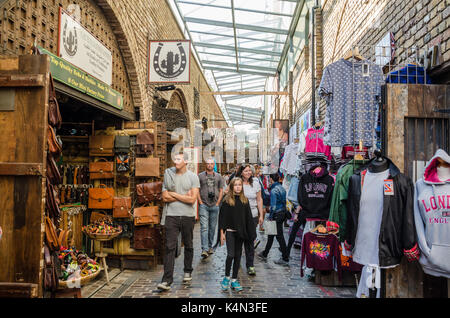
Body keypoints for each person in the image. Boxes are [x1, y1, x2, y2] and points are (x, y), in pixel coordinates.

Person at [157, 152, 200, 291]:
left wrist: (173, 194)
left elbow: (192, 199)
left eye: (178, 159)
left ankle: (187, 270)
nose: (175, 162)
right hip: (171, 216)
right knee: (169, 247)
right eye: (174, 159)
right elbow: (164, 197)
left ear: (186, 161)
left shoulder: (193, 177)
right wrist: (181, 195)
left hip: (188, 216)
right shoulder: (168, 175)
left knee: (188, 244)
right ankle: (166, 280)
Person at [216, 177, 256, 292]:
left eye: (240, 185)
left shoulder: (245, 200)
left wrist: (251, 235)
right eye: (236, 185)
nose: (238, 187)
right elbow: (222, 218)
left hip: (241, 233)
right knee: (230, 255)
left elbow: (249, 219)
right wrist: (221, 233)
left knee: (238, 256)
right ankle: (226, 277)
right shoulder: (227, 200)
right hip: (230, 232)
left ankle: (234, 279)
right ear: (232, 186)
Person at [236, 164, 264, 275]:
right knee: (238, 240)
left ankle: (250, 265)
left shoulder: (256, 183)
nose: (248, 173)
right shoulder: (237, 182)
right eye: (246, 171)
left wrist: (261, 215)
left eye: (249, 171)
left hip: (252, 215)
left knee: (250, 241)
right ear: (241, 172)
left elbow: (259, 200)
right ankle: (236, 263)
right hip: (239, 215)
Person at [258, 173, 290, 266]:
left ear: (271, 179)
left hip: (276, 214)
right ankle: (265, 253)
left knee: (279, 236)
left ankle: (285, 257)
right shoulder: (282, 188)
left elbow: (273, 206)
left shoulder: (273, 190)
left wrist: (271, 216)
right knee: (271, 234)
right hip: (282, 213)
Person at [198, 157, 224, 259]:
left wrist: (218, 202)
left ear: (214, 165)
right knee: (204, 227)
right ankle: (204, 249)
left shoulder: (218, 177)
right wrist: (200, 202)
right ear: (206, 165)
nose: (209, 165)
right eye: (208, 164)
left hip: (214, 205)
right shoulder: (200, 176)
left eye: (211, 164)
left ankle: (209, 247)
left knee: (212, 227)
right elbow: (196, 190)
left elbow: (221, 190)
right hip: (204, 205)